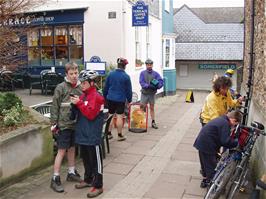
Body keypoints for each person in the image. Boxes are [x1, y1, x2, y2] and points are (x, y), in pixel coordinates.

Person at [70, 70, 105, 198]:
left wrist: (78, 103)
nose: (81, 85)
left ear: (91, 83)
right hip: (83, 134)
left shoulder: (97, 96)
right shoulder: (83, 95)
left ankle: (98, 185)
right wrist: (74, 106)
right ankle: (88, 179)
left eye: (84, 83)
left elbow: (91, 115)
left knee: (96, 162)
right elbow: (75, 115)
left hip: (92, 135)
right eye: (81, 82)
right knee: (86, 160)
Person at [50, 62, 82, 193]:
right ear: (66, 74)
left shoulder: (81, 87)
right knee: (61, 151)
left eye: (76, 73)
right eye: (71, 74)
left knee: (72, 149)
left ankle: (71, 172)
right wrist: (53, 124)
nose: (74, 76)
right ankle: (55, 178)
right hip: (63, 125)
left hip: (75, 124)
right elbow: (55, 106)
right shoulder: (61, 87)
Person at [193, 111, 242, 188]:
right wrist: (236, 142)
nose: (234, 125)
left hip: (201, 142)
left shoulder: (221, 119)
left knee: (204, 163)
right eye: (235, 124)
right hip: (208, 145)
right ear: (233, 119)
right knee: (210, 166)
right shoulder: (225, 123)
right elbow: (225, 141)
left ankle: (205, 180)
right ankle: (212, 186)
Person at [103, 57, 132, 141]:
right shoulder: (126, 76)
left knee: (110, 115)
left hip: (110, 98)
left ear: (118, 65)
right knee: (119, 116)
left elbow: (106, 87)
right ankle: (119, 135)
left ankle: (108, 134)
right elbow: (128, 90)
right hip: (120, 99)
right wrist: (129, 100)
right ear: (124, 66)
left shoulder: (110, 74)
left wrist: (105, 97)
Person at [139, 58, 164, 129]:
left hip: (152, 94)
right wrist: (148, 86)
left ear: (152, 65)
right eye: (148, 65)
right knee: (142, 107)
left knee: (152, 108)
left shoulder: (156, 74)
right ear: (146, 65)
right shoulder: (142, 73)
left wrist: (158, 85)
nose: (149, 66)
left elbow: (161, 82)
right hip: (144, 93)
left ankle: (153, 122)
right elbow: (141, 82)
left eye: (150, 65)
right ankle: (141, 122)